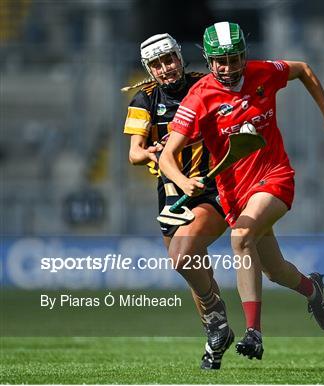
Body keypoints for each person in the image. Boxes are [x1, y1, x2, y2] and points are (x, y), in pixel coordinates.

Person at [160, 21, 324, 360]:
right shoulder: (199, 97)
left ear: (245, 54)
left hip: (275, 177)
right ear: (208, 59)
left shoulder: (263, 72)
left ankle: (253, 333)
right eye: (220, 61)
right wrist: (184, 181)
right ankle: (313, 290)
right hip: (235, 195)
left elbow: (303, 70)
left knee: (241, 237)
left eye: (235, 59)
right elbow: (168, 156)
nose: (228, 68)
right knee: (274, 270)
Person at [122, 33, 234, 370]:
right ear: (149, 69)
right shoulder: (144, 99)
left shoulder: (206, 85)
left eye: (168, 59)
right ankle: (216, 341)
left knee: (183, 256)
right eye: (156, 64)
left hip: (213, 188)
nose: (165, 68)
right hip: (172, 193)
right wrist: (153, 151)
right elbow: (134, 154)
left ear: (179, 57)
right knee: (193, 270)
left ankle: (217, 320)